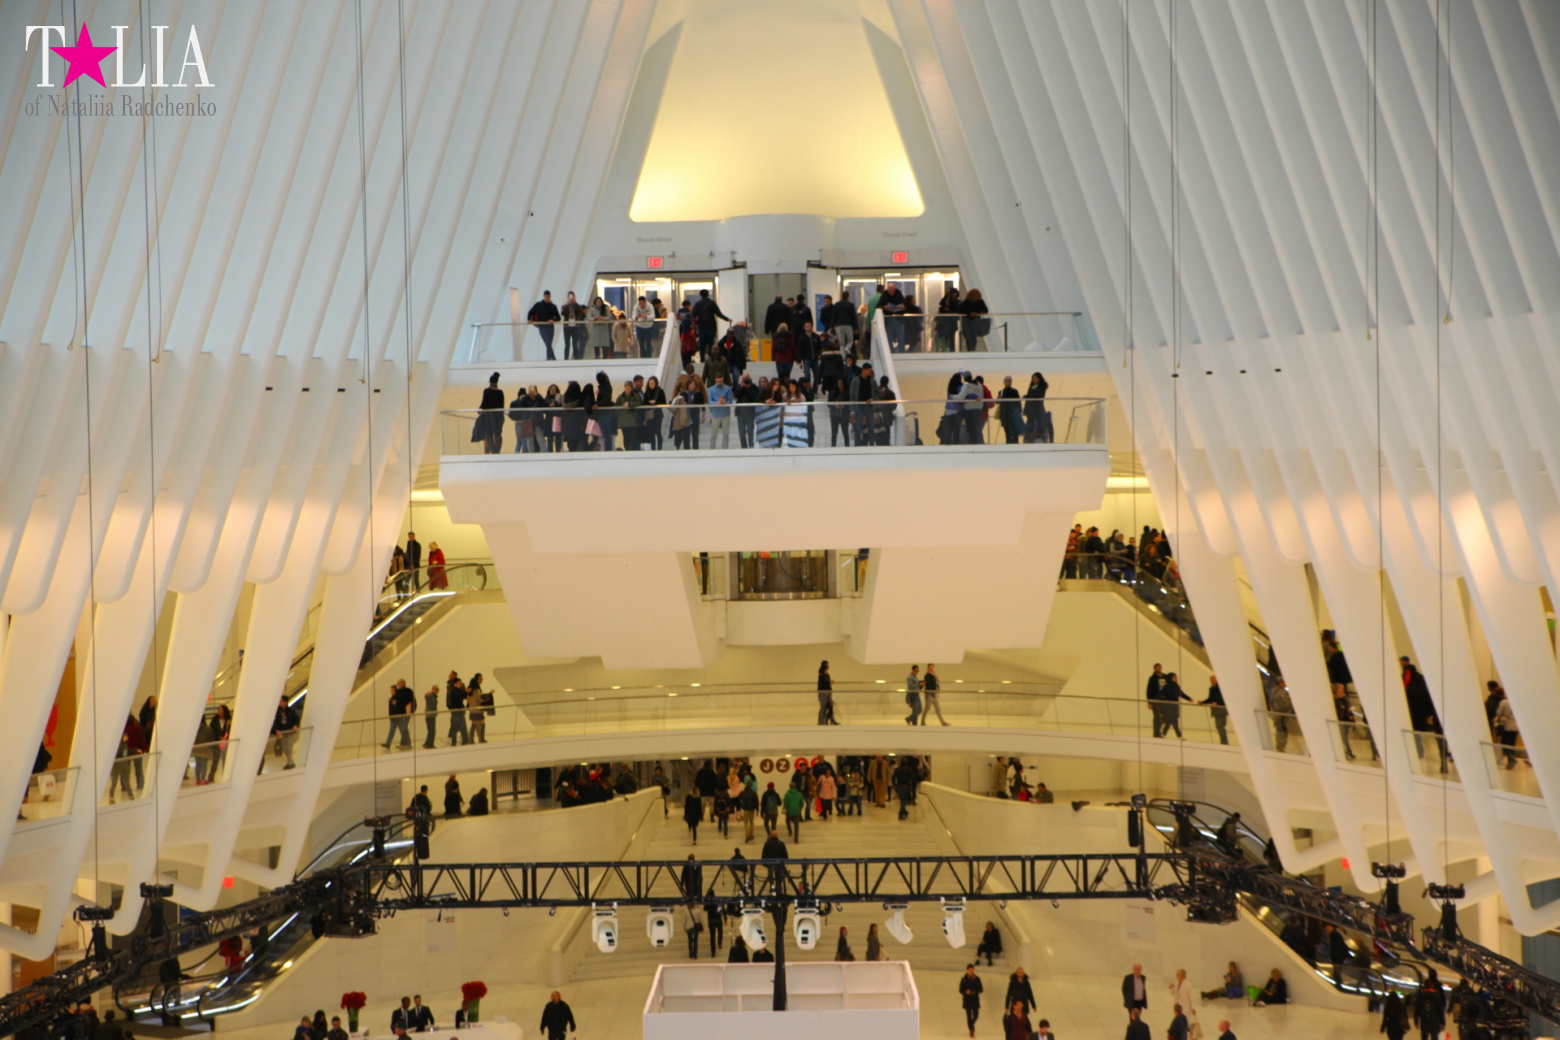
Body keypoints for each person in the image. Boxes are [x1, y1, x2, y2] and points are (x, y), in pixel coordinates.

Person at [472, 372, 506, 453]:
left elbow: (484, 404)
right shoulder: (500, 392)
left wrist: (479, 410)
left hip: (488, 416)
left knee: (489, 434)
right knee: (497, 434)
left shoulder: (487, 391)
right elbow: (502, 406)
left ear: (490, 382)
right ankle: (496, 452)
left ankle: (493, 451)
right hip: (498, 416)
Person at [693, 288, 729, 359]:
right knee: (711, 343)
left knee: (702, 344)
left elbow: (693, 315)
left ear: (701, 295)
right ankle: (711, 357)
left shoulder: (698, 304)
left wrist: (694, 323)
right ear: (708, 294)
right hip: (711, 327)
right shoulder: (712, 303)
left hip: (702, 327)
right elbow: (718, 314)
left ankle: (702, 358)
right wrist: (727, 319)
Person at [527, 291, 560, 360]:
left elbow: (558, 317)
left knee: (549, 344)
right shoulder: (538, 305)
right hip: (542, 326)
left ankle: (549, 359)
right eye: (546, 297)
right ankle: (553, 359)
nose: (547, 298)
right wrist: (529, 319)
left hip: (550, 327)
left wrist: (553, 320)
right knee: (548, 343)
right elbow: (530, 312)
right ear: (544, 297)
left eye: (548, 297)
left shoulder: (553, 306)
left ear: (550, 297)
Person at [1414, 969, 1445, 1040]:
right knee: (1434, 1037)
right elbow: (1440, 1010)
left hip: (1424, 1021)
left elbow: (1417, 1009)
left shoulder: (1420, 996)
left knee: (1424, 1036)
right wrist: (1443, 1023)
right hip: (1435, 1020)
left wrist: (1416, 1021)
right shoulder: (1436, 996)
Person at [272, 694, 300, 768]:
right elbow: (276, 721)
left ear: (285, 702)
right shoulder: (278, 711)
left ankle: (290, 762)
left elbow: (296, 719)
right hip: (283, 732)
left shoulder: (291, 711)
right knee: (285, 748)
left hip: (289, 732)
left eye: (281, 701)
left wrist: (295, 725)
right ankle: (290, 762)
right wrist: (276, 730)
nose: (280, 702)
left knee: (289, 748)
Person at [1168, 969, 1198, 1037]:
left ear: (1181, 975)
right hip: (1177, 1008)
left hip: (1185, 1008)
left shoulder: (1188, 985)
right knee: (1177, 1023)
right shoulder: (1176, 983)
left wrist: (1193, 1008)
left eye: (1177, 974)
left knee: (1185, 1024)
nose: (1176, 976)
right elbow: (1172, 993)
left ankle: (1184, 1036)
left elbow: (1192, 997)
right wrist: (1171, 988)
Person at [959, 964, 984, 1038]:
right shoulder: (963, 979)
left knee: (976, 1015)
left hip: (975, 999)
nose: (971, 971)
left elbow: (981, 989)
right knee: (969, 1015)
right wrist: (966, 992)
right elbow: (960, 990)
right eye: (970, 970)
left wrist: (974, 991)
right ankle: (971, 1030)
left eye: (972, 970)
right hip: (967, 1000)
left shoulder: (977, 979)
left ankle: (971, 1024)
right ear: (967, 970)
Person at [1202, 676, 1229, 745]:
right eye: (1211, 680)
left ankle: (1224, 742)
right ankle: (1223, 741)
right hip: (1216, 710)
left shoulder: (1221, 688)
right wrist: (1202, 702)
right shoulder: (1212, 689)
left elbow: (1223, 698)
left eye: (1213, 680)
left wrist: (1217, 703)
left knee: (1220, 725)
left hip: (1221, 710)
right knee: (1218, 726)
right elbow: (1210, 699)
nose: (1212, 682)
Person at [445, 672, 469, 746]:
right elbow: (458, 699)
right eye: (459, 683)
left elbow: (462, 697)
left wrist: (465, 692)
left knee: (456, 726)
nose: (460, 684)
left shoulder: (456, 690)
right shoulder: (453, 691)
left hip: (457, 710)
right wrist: (465, 692)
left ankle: (455, 741)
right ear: (455, 684)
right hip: (457, 711)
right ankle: (464, 740)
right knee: (461, 726)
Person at [466, 673, 489, 744]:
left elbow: (468, 700)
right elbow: (479, 699)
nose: (482, 680)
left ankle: (471, 739)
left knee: (474, 724)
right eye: (480, 679)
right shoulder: (476, 690)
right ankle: (480, 738)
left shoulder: (470, 689)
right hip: (477, 710)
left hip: (472, 710)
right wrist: (488, 697)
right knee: (480, 723)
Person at [704, 887, 724, 957]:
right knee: (720, 932)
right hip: (718, 919)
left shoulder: (708, 902)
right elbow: (721, 908)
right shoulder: (718, 900)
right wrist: (725, 917)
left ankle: (713, 952)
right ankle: (719, 943)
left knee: (712, 937)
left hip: (711, 921)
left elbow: (705, 909)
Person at [817, 659, 838, 725]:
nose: (829, 666)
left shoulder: (826, 675)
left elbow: (827, 683)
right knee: (823, 707)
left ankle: (830, 719)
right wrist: (829, 683)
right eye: (827, 665)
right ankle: (821, 721)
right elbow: (823, 684)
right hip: (823, 694)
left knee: (830, 706)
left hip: (828, 693)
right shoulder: (821, 675)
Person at [422, 684, 439, 749]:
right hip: (430, 716)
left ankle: (427, 743)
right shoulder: (430, 695)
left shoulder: (434, 696)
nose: (437, 690)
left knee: (431, 730)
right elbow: (426, 697)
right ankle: (429, 744)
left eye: (437, 689)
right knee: (432, 730)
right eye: (435, 689)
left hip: (431, 716)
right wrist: (426, 694)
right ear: (432, 689)